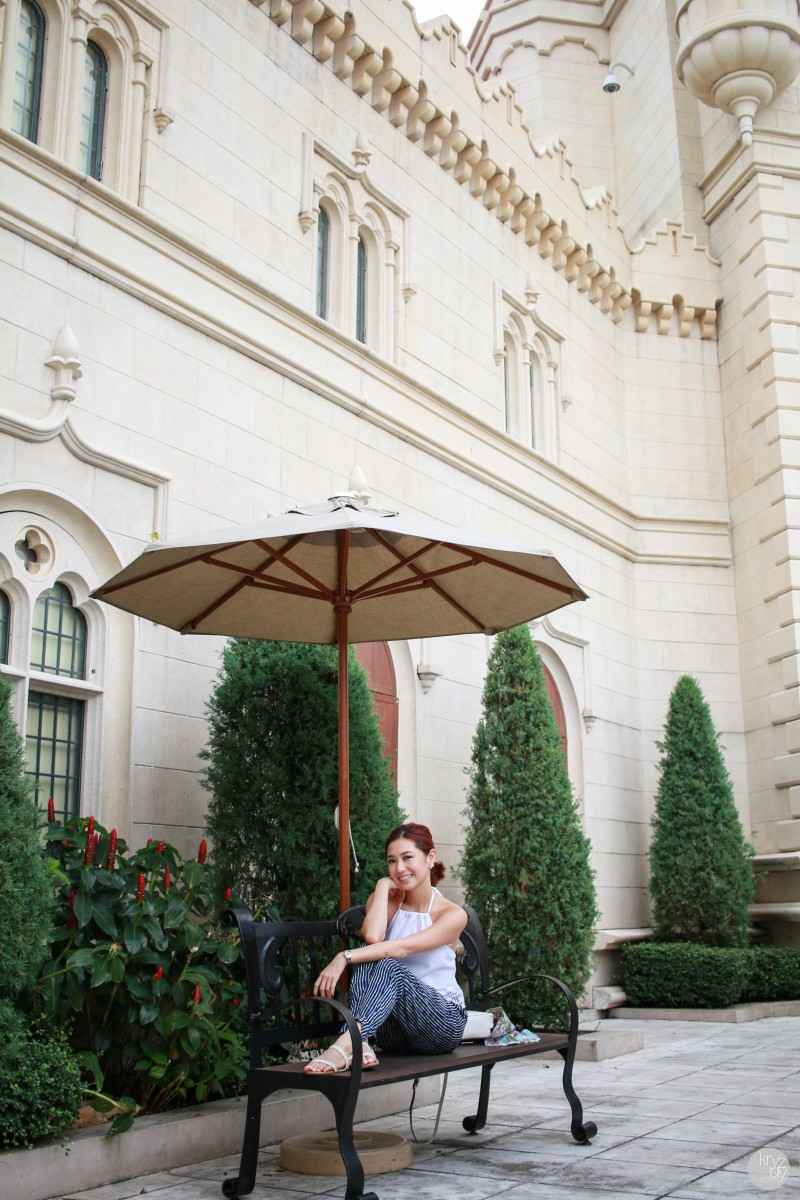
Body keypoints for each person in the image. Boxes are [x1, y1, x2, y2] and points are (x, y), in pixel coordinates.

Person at [304, 822, 468, 1073]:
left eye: (407, 858)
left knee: (388, 964)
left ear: (430, 857)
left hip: (441, 1025)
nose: (399, 868)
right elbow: (372, 936)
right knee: (370, 959)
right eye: (392, 861)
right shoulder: (387, 900)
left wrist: (343, 957)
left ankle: (347, 1042)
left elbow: (400, 949)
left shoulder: (452, 914)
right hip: (391, 1030)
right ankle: (363, 1044)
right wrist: (382, 886)